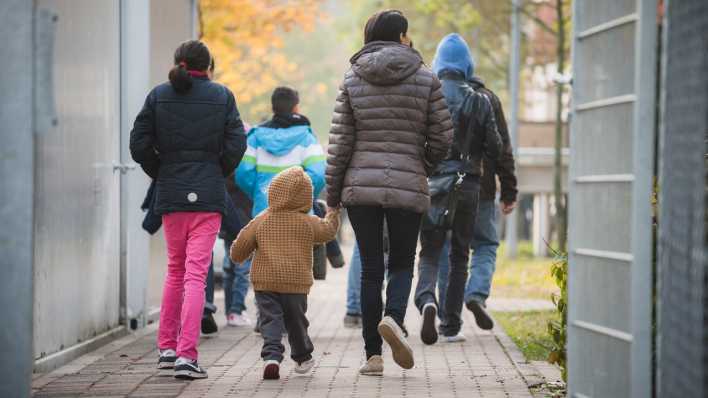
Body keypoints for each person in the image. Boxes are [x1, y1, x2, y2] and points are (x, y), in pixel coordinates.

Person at [326, 10, 453, 375]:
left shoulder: (352, 77)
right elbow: (444, 137)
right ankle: (394, 319)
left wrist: (333, 196)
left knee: (370, 269)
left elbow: (340, 144)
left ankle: (373, 356)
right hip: (407, 185)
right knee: (401, 261)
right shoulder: (426, 77)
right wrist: (421, 164)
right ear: (400, 36)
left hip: (360, 189)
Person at [130, 39, 246, 380]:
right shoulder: (222, 96)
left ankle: (167, 348)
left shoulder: (158, 95)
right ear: (208, 66)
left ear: (178, 62)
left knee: (175, 271)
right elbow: (237, 144)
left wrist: (163, 171)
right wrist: (215, 171)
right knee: (196, 273)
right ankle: (186, 355)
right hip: (208, 196)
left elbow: (138, 143)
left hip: (171, 194)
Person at [414, 33, 502, 346]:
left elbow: (416, 142)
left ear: (438, 63)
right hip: (469, 186)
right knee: (460, 255)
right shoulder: (480, 100)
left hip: (434, 185)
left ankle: (426, 300)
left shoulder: (428, 96)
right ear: (467, 64)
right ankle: (450, 326)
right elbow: (495, 146)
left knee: (431, 252)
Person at [230, 167, 340, 380]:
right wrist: (333, 212)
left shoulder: (262, 219)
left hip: (265, 282)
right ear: (305, 196)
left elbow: (240, 246)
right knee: (296, 320)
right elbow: (328, 231)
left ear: (274, 192)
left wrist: (237, 255)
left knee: (270, 320)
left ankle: (271, 357)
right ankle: (302, 357)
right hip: (295, 282)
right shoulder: (308, 221)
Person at [435, 73, 518, 331]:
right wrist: (509, 190)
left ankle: (448, 318)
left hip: (445, 188)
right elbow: (502, 148)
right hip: (481, 189)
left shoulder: (440, 94)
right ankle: (476, 294)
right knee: (485, 244)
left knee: (447, 249)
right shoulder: (487, 98)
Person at [235, 86, 326, 218]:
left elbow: (243, 174)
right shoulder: (307, 138)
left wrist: (259, 194)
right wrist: (304, 197)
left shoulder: (254, 138)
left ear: (273, 108)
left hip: (263, 213)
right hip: (299, 215)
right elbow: (318, 175)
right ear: (296, 108)